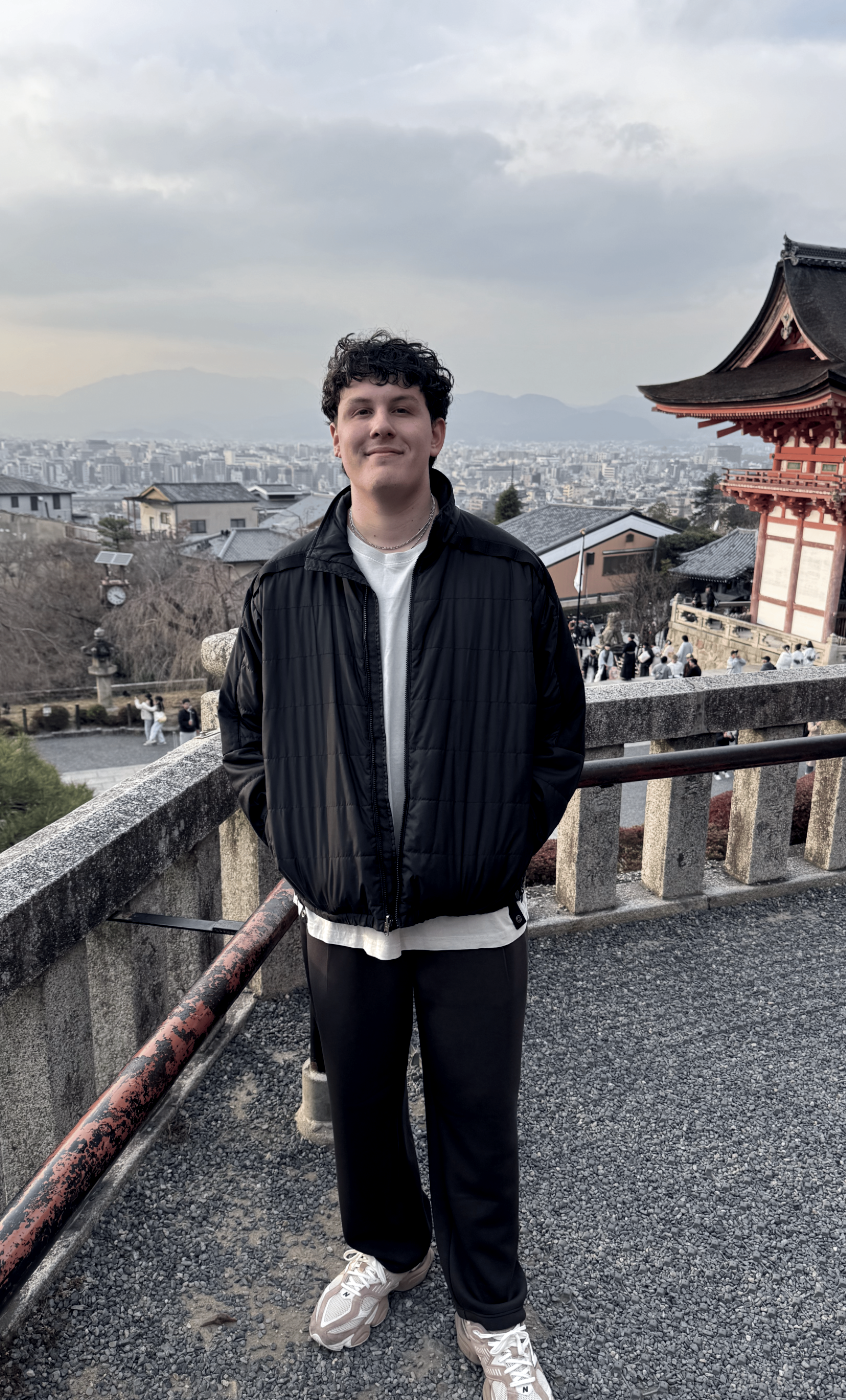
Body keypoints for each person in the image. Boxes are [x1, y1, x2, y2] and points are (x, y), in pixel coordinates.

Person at [219, 332, 584, 1400]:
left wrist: (498, 839)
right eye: (362, 408)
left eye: (403, 407)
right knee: (365, 1108)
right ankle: (388, 1249)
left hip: (470, 913)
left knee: (477, 1112)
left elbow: (558, 733)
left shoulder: (502, 575)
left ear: (436, 430)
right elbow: (243, 732)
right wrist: (304, 838)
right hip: (340, 914)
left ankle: (493, 1311)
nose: (382, 425)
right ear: (335, 436)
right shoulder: (286, 584)